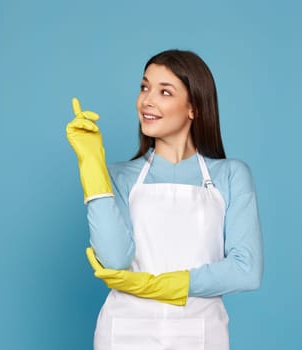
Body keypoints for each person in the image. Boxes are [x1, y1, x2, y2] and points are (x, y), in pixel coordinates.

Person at [66, 49, 263, 350]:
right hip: (123, 332)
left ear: (193, 107)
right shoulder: (121, 177)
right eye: (144, 87)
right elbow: (115, 259)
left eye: (164, 92)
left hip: (200, 333)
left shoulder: (230, 175)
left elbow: (246, 270)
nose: (147, 100)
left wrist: (166, 285)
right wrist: (92, 165)